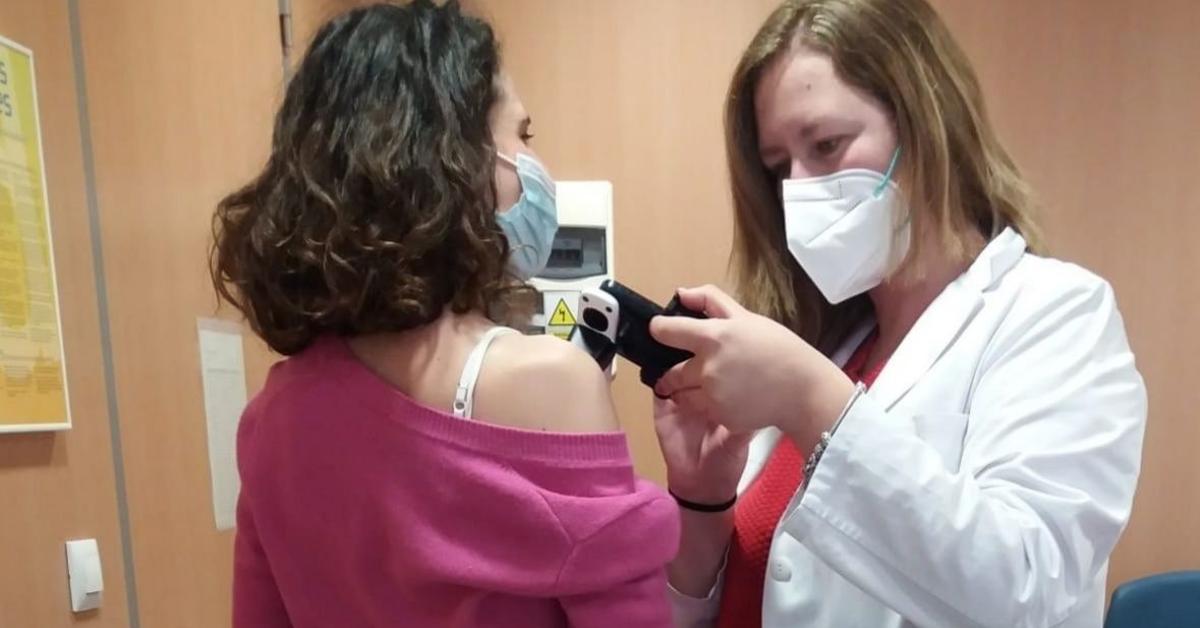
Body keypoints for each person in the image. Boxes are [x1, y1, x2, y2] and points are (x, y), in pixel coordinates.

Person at [651, 1, 1147, 627]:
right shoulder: (831, 342)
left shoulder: (1057, 314)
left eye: (826, 145)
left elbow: (1027, 592)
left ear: (926, 124)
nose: (798, 189)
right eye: (779, 167)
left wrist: (808, 400)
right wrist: (702, 499)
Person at [211, 3, 677, 626]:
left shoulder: (270, 421)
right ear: (453, 158)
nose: (536, 165)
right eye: (522, 136)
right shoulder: (550, 383)